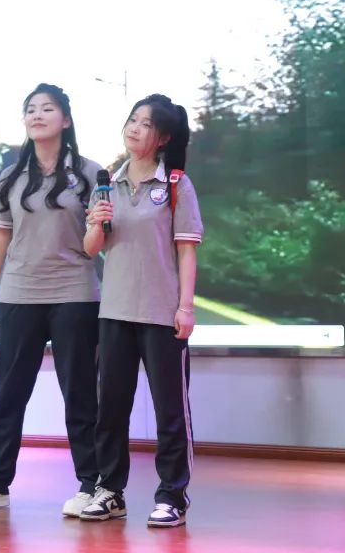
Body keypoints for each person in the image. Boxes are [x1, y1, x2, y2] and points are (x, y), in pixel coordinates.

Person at [0, 83, 103, 519]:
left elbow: (102, 240)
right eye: (30, 110)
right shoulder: (11, 176)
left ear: (66, 119)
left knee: (80, 394)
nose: (37, 115)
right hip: (19, 295)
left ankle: (91, 484)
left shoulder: (91, 173)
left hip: (75, 294)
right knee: (8, 394)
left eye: (47, 109)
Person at [79, 94, 203, 528]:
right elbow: (91, 249)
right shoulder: (107, 184)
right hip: (114, 312)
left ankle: (172, 495)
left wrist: (185, 307)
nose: (134, 128)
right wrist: (96, 221)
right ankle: (110, 491)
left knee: (170, 412)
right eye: (132, 120)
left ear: (163, 137)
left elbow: (187, 251)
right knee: (110, 409)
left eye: (146, 124)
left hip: (161, 314)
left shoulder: (175, 185)